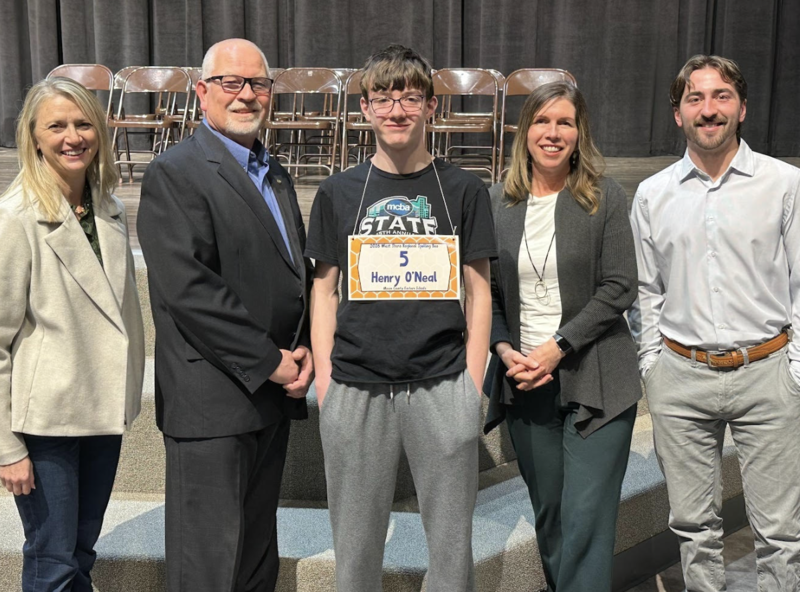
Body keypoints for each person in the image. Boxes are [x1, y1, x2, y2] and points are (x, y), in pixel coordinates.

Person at [306, 44, 495, 591]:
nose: (396, 110)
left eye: (410, 98)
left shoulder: (463, 190)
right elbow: (324, 292)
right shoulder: (338, 192)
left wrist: (473, 385)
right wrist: (326, 381)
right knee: (356, 549)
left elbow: (478, 292)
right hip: (355, 387)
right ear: (364, 108)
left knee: (452, 549)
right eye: (383, 98)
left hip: (442, 385)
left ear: (431, 107)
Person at [137, 38, 313, 592]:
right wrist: (272, 362)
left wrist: (302, 346)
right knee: (207, 570)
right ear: (202, 92)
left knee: (255, 563)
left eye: (257, 84)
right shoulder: (177, 172)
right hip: (212, 403)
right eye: (231, 83)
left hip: (268, 396)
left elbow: (288, 272)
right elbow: (189, 289)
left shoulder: (274, 171)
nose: (245, 95)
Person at [629, 55, 800, 591]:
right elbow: (645, 291)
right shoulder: (653, 194)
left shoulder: (785, 183)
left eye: (721, 96)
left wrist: (795, 369)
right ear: (677, 113)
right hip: (681, 376)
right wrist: (653, 365)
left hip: (768, 373)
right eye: (695, 99)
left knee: (780, 533)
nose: (709, 110)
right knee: (693, 530)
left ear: (742, 108)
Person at [483, 81, 641, 592]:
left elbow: (620, 286)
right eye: (542, 121)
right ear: (525, 131)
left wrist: (556, 348)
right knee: (549, 514)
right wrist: (507, 352)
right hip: (525, 379)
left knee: (585, 519)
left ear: (580, 132)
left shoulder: (603, 197)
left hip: (596, 376)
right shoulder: (496, 203)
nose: (553, 133)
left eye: (565, 122)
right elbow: (487, 297)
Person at [0, 77, 145, 591]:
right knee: (53, 561)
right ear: (33, 137)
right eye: (56, 126)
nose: (73, 136)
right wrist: (7, 447)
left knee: (80, 554)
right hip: (45, 426)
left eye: (83, 123)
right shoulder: (15, 218)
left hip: (100, 415)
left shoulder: (109, 208)